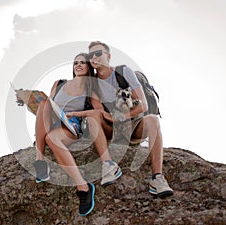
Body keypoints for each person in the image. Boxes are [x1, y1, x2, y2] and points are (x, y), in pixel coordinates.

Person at [21, 53, 122, 216]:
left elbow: (99, 112)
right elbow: (49, 106)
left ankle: (83, 187)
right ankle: (40, 162)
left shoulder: (91, 89)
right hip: (52, 120)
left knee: (51, 138)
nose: (78, 65)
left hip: (71, 125)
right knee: (43, 103)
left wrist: (74, 113)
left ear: (89, 67)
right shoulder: (59, 83)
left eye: (83, 62)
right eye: (76, 63)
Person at [82, 41, 173, 198]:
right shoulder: (93, 83)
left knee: (152, 119)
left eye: (98, 53)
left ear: (108, 56)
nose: (94, 57)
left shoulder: (124, 71)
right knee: (92, 118)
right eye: (91, 55)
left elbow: (143, 104)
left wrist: (122, 116)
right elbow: (99, 111)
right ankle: (109, 166)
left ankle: (157, 178)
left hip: (133, 126)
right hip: (111, 129)